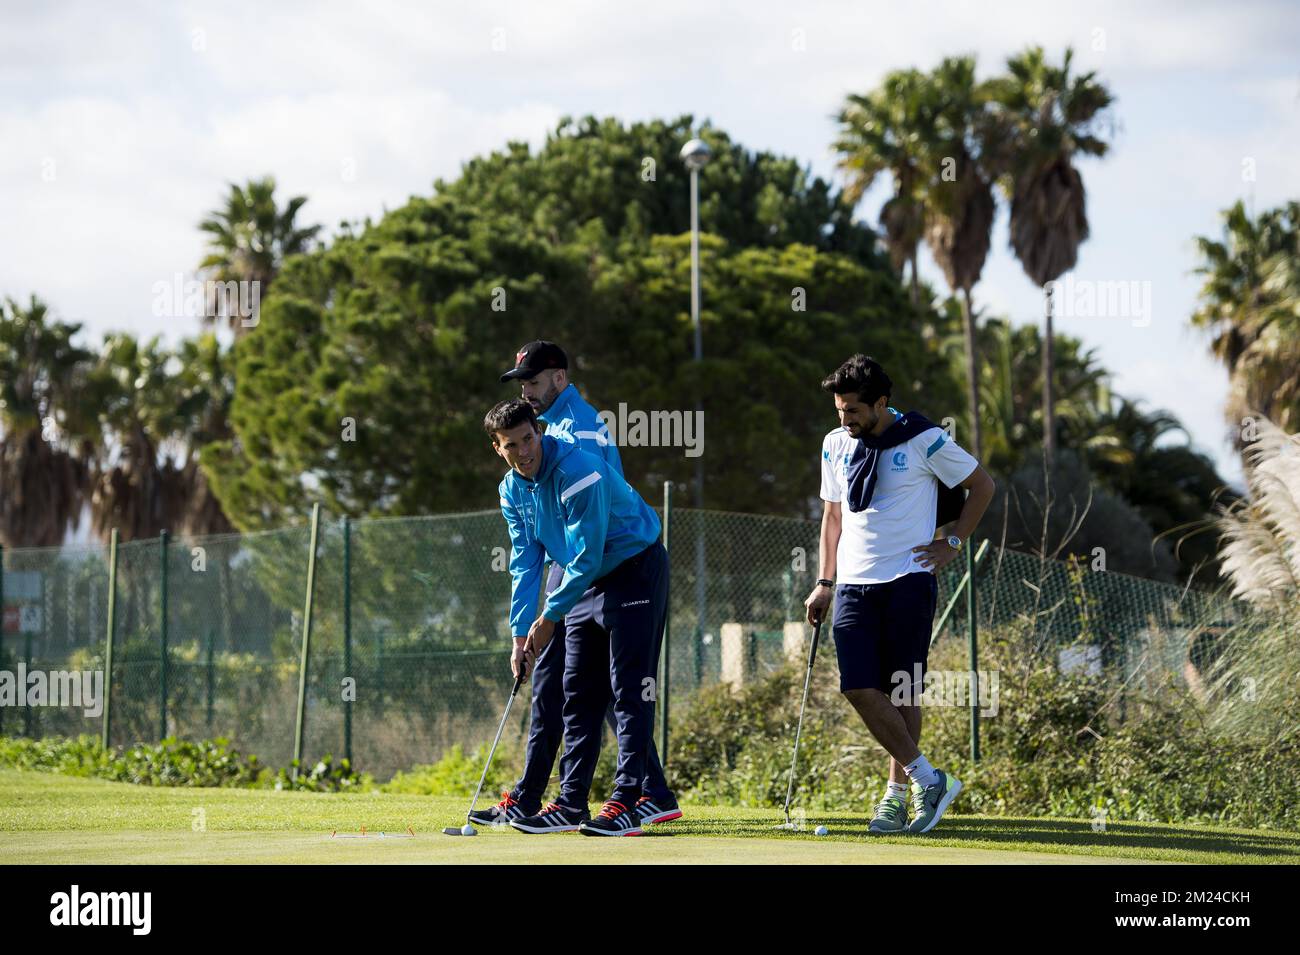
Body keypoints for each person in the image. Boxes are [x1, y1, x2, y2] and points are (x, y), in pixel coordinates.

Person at [469, 342, 679, 832]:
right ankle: (565, 801)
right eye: (510, 445)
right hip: (583, 570)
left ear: (559, 379)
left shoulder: (576, 439)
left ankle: (634, 797)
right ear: (497, 448)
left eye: (534, 380)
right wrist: (522, 631)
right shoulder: (514, 483)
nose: (523, 451)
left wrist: (551, 614)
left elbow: (586, 543)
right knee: (575, 691)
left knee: (624, 689)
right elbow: (524, 560)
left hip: (623, 562)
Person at [804, 354, 994, 834]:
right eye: (838, 410)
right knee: (857, 687)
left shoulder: (923, 437)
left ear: (881, 403)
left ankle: (896, 797)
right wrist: (825, 582)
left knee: (902, 689)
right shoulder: (834, 444)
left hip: (910, 577)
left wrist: (952, 543)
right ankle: (931, 780)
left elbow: (982, 485)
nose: (844, 420)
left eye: (853, 411)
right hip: (852, 583)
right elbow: (832, 517)